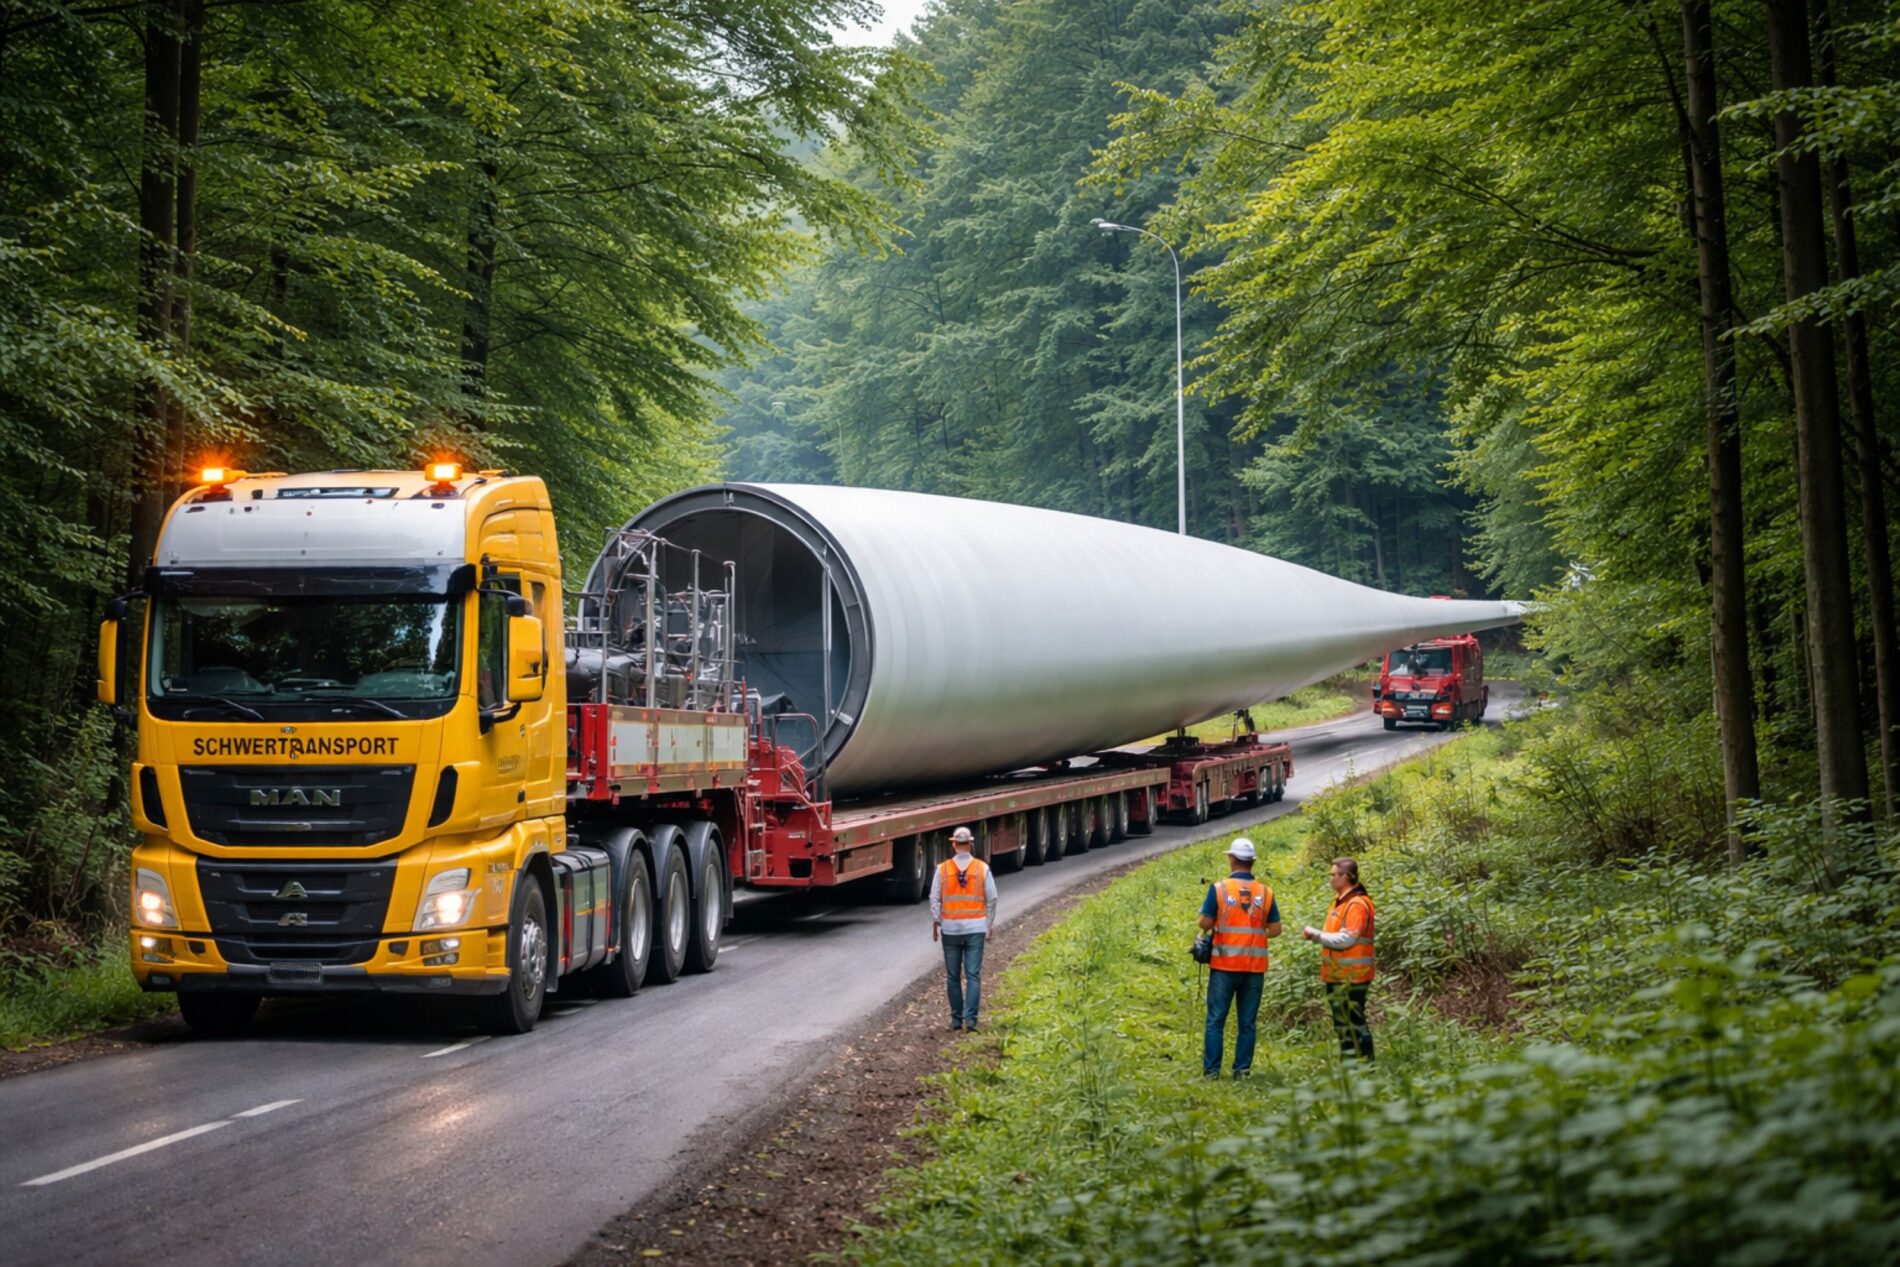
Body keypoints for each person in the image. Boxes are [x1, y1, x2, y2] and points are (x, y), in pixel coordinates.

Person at [1199, 838, 1282, 1078]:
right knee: (1247, 1023)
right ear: (1252, 862)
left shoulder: (1219, 889)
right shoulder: (1266, 892)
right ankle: (1242, 1071)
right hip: (1254, 968)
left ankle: (1212, 1071)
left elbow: (1205, 923)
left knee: (1216, 1020)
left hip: (1224, 966)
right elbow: (1275, 929)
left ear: (1232, 859)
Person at [1303, 856, 1375, 1062]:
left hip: (1354, 976)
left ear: (1348, 876)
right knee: (1342, 1023)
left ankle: (1365, 1066)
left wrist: (1316, 935)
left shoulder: (1357, 905)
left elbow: (1347, 938)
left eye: (1335, 875)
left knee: (1354, 1022)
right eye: (1331, 875)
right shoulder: (1339, 902)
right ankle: (1350, 1064)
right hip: (1338, 975)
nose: (1331, 879)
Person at [931, 826, 996, 1032]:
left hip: (950, 930)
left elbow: (934, 898)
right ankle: (972, 1020)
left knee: (953, 976)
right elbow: (992, 898)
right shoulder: (982, 868)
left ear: (953, 845)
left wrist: (938, 921)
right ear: (970, 844)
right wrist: (988, 925)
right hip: (976, 928)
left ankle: (956, 1020)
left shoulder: (942, 869)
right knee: (973, 975)